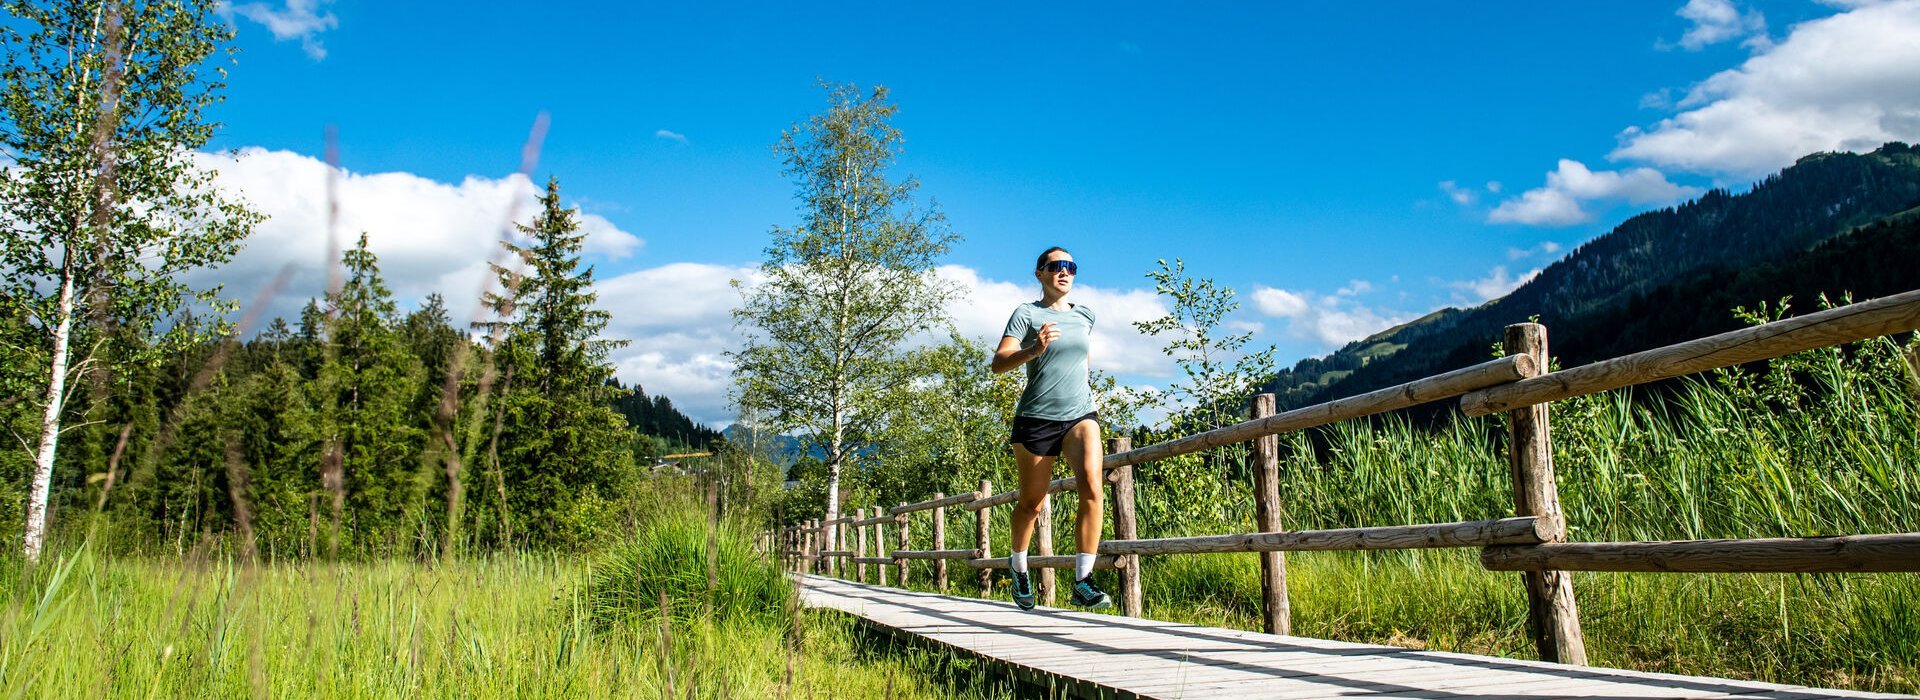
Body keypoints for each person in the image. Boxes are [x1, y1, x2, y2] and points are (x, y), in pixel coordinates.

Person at [991, 246, 1111, 610]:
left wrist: (1082, 390)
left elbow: (1081, 359)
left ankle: (1083, 580)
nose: (1064, 272)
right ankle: (1018, 565)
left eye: (1070, 266)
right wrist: (1033, 349)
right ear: (1040, 273)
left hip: (1080, 414)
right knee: (1032, 503)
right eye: (1056, 266)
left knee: (1092, 486)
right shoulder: (1026, 314)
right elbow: (998, 363)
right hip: (1036, 418)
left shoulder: (1086, 315)